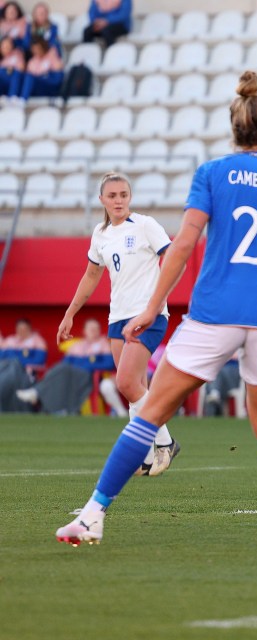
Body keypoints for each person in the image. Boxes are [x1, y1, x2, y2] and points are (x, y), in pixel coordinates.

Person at [55, 70, 257, 556]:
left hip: (215, 312)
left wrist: (149, 309)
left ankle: (92, 516)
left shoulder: (212, 173)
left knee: (150, 412)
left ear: (234, 129)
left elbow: (183, 246)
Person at [55, 172, 179, 476]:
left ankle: (165, 442)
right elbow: (91, 276)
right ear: (102, 200)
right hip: (117, 318)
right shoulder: (100, 233)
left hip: (147, 316)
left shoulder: (146, 225)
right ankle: (146, 456)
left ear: (130, 197)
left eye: (123, 194)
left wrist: (157, 302)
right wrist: (70, 312)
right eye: (112, 196)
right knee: (135, 387)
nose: (119, 200)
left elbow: (176, 258)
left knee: (125, 382)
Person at [16, 318, 114, 414]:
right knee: (59, 370)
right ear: (84, 331)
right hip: (71, 375)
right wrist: (85, 361)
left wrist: (83, 363)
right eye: (91, 329)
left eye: (96, 329)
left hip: (89, 377)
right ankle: (47, 401)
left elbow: (110, 364)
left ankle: (36, 392)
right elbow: (65, 361)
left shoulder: (103, 344)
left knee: (62, 370)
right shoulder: (77, 345)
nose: (94, 331)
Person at [0, 318, 46, 412]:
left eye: (24, 329)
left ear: (29, 329)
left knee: (13, 365)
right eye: (19, 329)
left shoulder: (37, 342)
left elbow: (39, 361)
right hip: (5, 372)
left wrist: (17, 360)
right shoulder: (10, 341)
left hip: (25, 375)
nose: (21, 331)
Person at [7, 37, 63, 102]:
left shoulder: (53, 56)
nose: (36, 51)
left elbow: (57, 79)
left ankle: (23, 100)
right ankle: (12, 98)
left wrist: (44, 75)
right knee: (19, 74)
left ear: (43, 47)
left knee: (30, 77)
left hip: (49, 86)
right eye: (34, 49)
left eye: (38, 48)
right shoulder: (32, 61)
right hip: (37, 87)